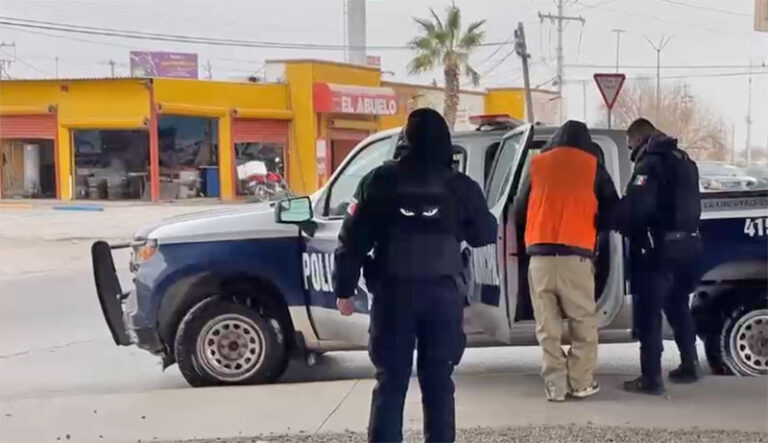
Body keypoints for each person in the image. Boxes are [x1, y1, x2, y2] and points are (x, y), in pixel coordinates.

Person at [333, 108, 497, 443]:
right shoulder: (461, 186)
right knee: (439, 381)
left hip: (394, 294)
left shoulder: (379, 180)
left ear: (406, 139)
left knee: (390, 381)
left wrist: (344, 290)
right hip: (443, 296)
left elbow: (353, 239)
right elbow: (485, 233)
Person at [513, 120, 618, 402]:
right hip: (576, 257)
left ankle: (555, 387)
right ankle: (581, 383)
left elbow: (519, 209)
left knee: (547, 327)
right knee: (582, 323)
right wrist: (594, 224)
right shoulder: (592, 164)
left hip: (540, 259)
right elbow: (613, 208)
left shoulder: (538, 164)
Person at [612, 118, 703, 395]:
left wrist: (619, 222)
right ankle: (690, 364)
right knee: (678, 306)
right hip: (689, 245)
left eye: (630, 146)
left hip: (659, 249)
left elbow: (638, 209)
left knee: (649, 313)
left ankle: (651, 378)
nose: (630, 153)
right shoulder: (684, 160)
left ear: (639, 139)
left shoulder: (650, 165)